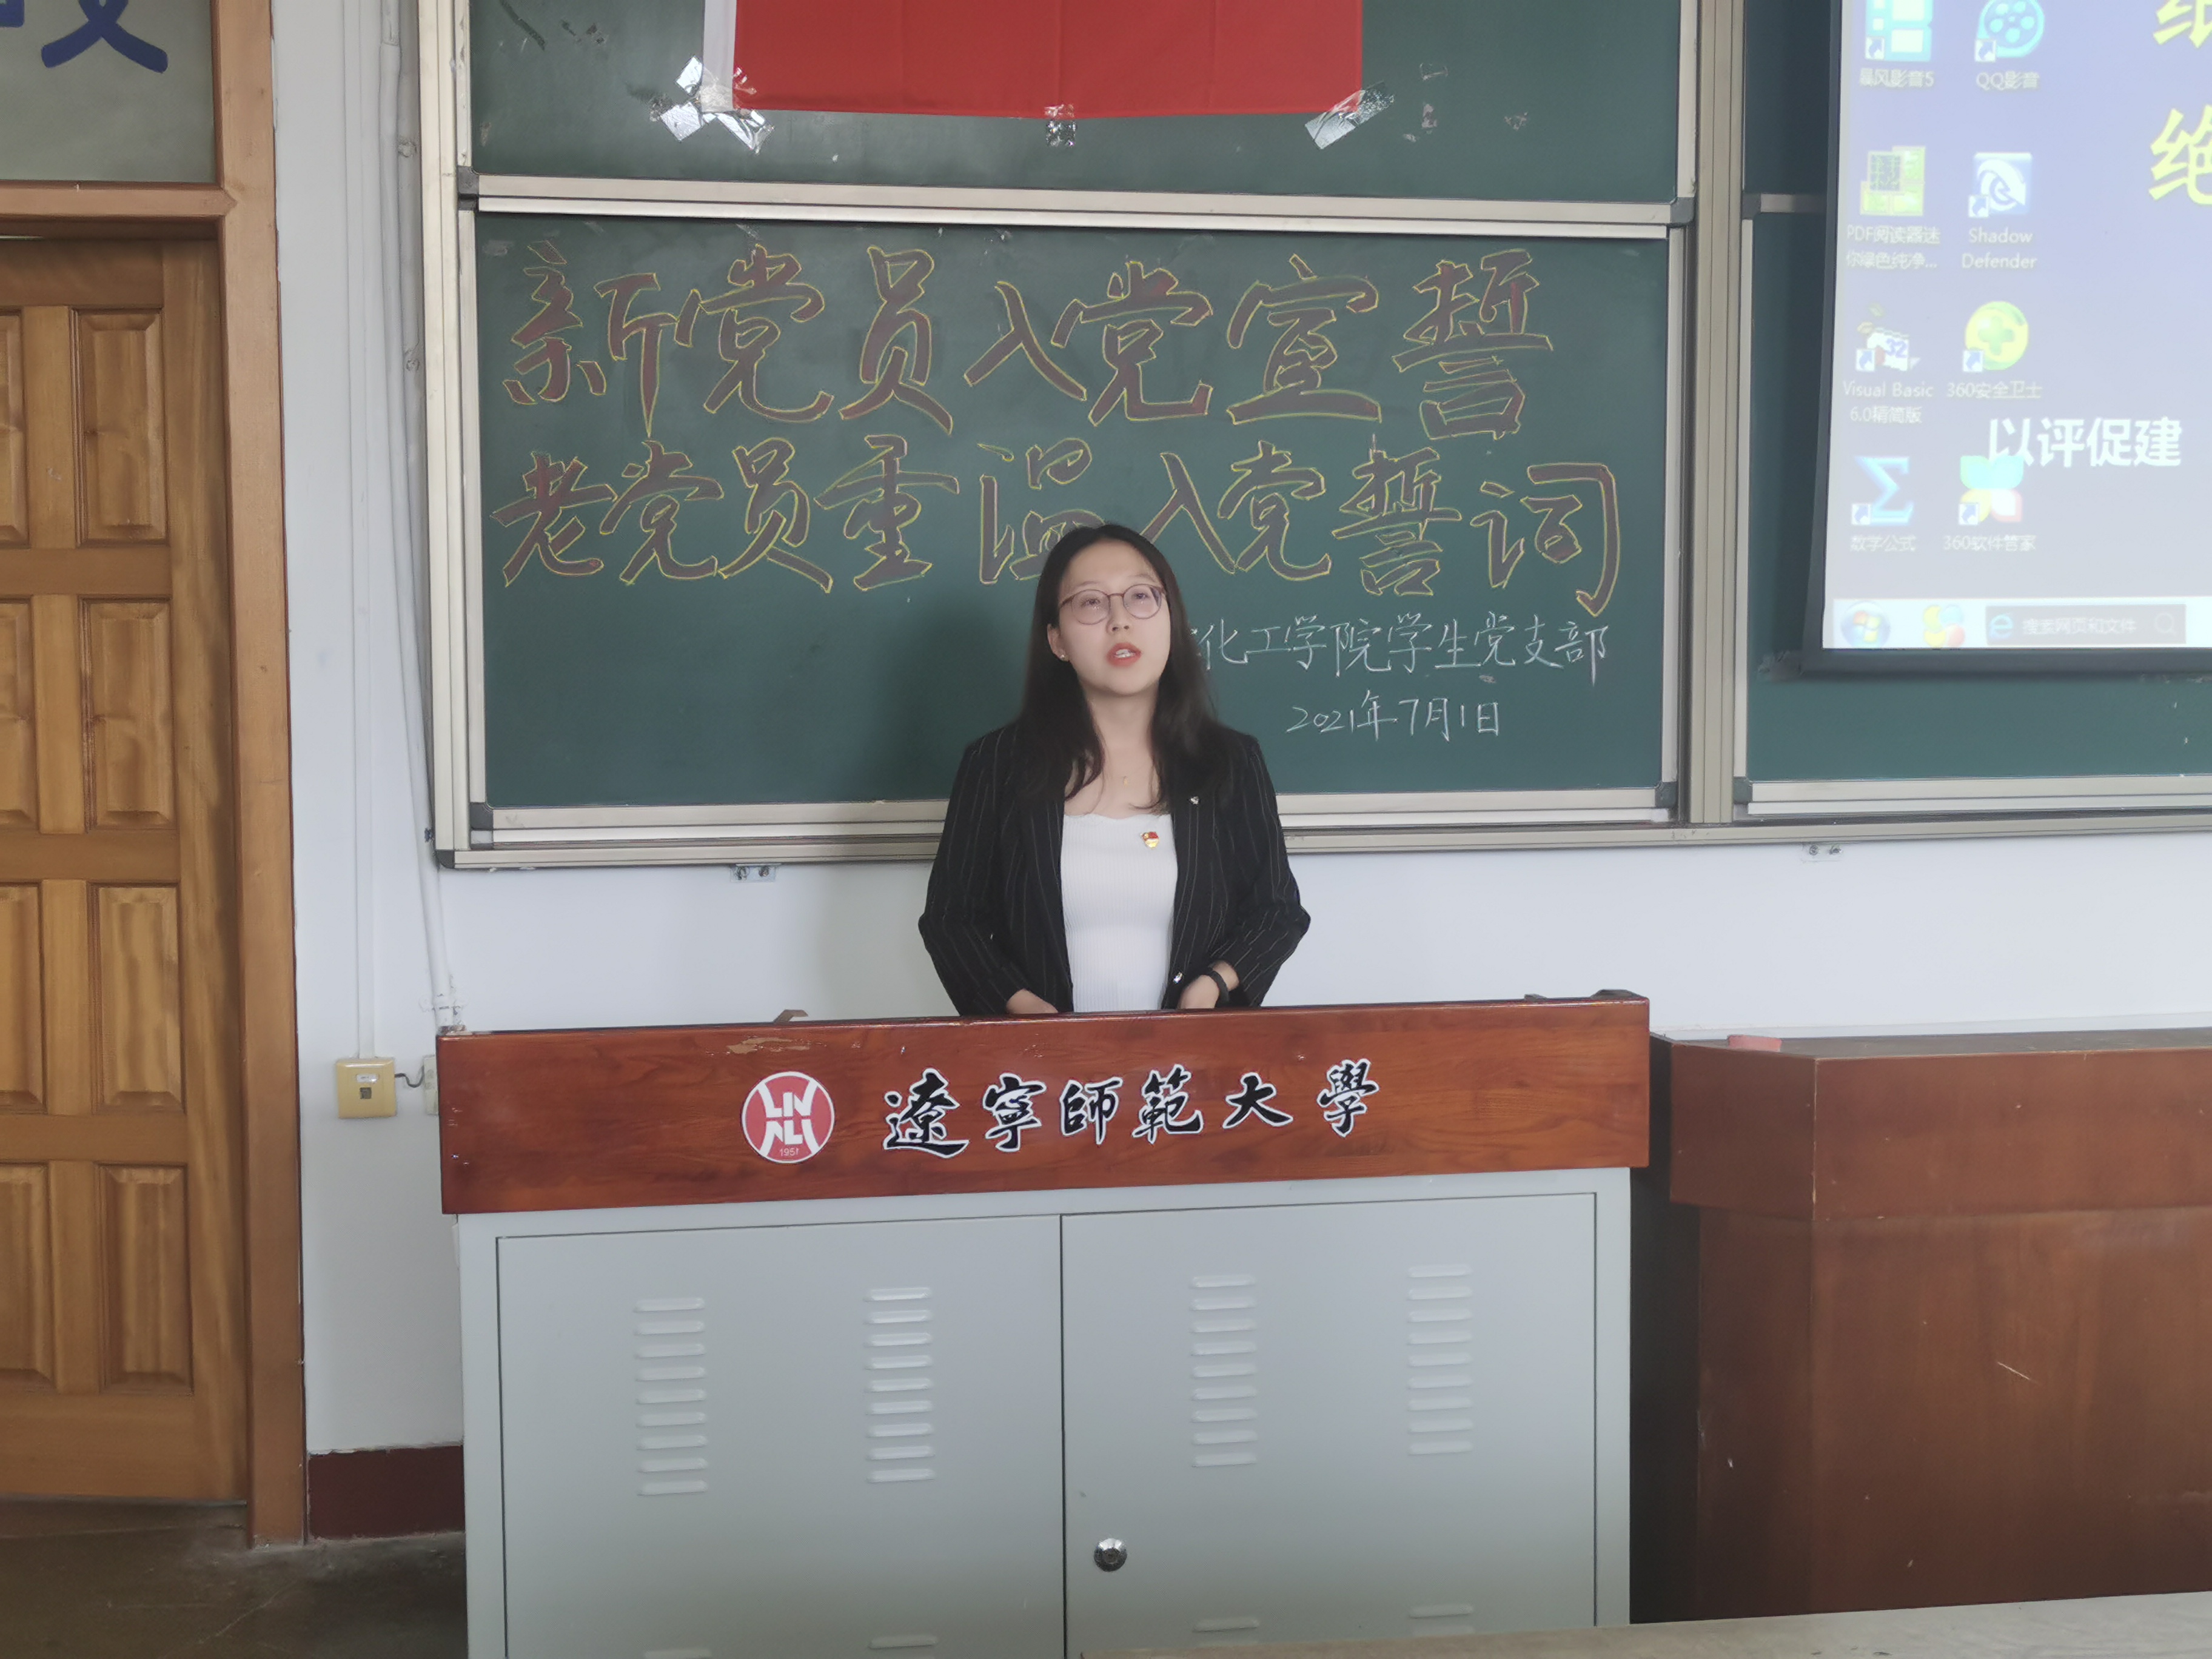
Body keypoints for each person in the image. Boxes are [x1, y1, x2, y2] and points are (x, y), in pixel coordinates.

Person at [920, 523, 1309, 1016]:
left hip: (1192, 1055)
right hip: (1042, 1056)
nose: (1120, 621)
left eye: (1141, 597)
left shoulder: (1230, 761)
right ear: (1057, 640)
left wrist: (1214, 984)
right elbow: (953, 922)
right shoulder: (997, 764)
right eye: (1091, 603)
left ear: (1170, 619)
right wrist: (1022, 1009)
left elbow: (1276, 911)